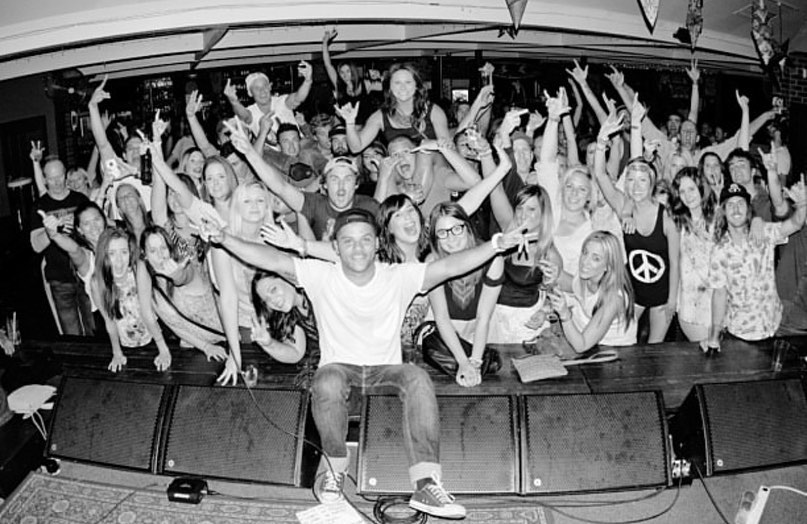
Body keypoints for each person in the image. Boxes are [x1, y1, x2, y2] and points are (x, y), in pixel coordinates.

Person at [202, 207, 530, 519]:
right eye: (348, 241)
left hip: (385, 371)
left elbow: (449, 267)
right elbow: (271, 259)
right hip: (340, 368)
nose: (357, 248)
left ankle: (426, 484)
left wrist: (496, 244)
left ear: (376, 245)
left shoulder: (397, 276)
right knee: (326, 379)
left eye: (364, 240)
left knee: (417, 377)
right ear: (336, 247)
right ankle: (335, 467)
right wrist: (224, 238)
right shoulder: (320, 274)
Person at [595, 110, 679, 344]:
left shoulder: (667, 216)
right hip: (633, 294)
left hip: (662, 295)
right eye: (630, 180)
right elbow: (600, 175)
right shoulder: (622, 203)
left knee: (655, 349)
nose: (636, 186)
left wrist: (673, 300)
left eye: (642, 180)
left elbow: (675, 261)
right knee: (622, 343)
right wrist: (601, 141)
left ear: (652, 183)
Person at [225, 118, 378, 240]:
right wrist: (249, 151)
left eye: (348, 179)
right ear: (325, 184)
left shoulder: (369, 206)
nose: (341, 185)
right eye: (334, 179)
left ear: (357, 184)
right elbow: (280, 186)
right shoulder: (313, 203)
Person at [706, 180, 807, 349]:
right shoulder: (719, 251)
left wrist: (802, 204)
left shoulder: (764, 232)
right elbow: (719, 294)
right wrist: (714, 336)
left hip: (773, 328)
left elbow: (796, 224)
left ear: (748, 209)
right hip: (740, 334)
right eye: (730, 204)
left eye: (740, 203)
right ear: (723, 211)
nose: (736, 209)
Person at [421, 202, 504, 386]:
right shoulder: (433, 261)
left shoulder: (492, 259)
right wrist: (463, 362)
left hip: (480, 332)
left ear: (468, 227)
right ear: (435, 237)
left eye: (456, 229)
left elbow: (483, 317)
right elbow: (441, 317)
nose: (451, 238)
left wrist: (475, 362)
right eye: (442, 233)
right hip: (447, 333)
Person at [139, 226, 227, 361]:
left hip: (233, 335)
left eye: (163, 248)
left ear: (170, 249)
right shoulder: (153, 288)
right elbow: (175, 325)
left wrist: (176, 275)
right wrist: (206, 347)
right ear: (145, 255)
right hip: (202, 348)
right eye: (153, 251)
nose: (160, 255)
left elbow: (184, 277)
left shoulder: (186, 266)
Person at [91, 227, 170, 372]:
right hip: (125, 343)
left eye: (124, 252)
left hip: (154, 336)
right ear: (104, 256)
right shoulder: (97, 282)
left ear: (130, 252)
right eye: (112, 253)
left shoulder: (138, 269)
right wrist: (117, 353)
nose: (119, 260)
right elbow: (109, 321)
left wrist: (163, 349)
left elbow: (147, 312)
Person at [30, 158, 93, 335]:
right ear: (44, 179)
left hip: (86, 274)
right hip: (59, 278)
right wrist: (51, 231)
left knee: (95, 330)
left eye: (59, 176)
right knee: (71, 335)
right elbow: (36, 246)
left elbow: (95, 233)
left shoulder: (80, 199)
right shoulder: (39, 206)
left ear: (65, 175)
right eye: (51, 178)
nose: (57, 182)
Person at [548, 231, 637, 351]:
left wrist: (564, 314)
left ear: (608, 266)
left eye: (596, 258)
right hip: (589, 341)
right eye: (585, 253)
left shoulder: (614, 300)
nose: (585, 262)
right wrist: (553, 272)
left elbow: (581, 346)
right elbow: (570, 283)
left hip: (614, 350)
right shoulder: (588, 276)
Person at [338, 62, 450, 152]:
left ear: (416, 86)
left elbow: (448, 148)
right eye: (397, 83)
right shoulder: (380, 116)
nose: (402, 87)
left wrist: (434, 144)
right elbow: (356, 148)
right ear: (390, 88)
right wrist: (350, 122)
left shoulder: (434, 112)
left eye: (408, 82)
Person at [671, 167, 716, 342]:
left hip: (719, 301)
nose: (687, 196)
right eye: (682, 191)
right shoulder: (677, 223)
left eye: (691, 189)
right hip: (690, 304)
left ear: (701, 188)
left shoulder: (718, 218)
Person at [224, 65, 313, 138]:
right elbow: (244, 116)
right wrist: (233, 101)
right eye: (257, 88)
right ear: (250, 93)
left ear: (270, 87)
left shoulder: (282, 102)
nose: (262, 91)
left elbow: (298, 98)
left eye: (265, 86)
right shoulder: (251, 112)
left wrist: (308, 81)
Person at [251, 270, 317, 366]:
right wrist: (269, 344)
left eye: (273, 290)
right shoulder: (291, 314)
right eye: (266, 300)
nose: (272, 300)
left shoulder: (319, 294)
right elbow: (296, 353)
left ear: (287, 278)